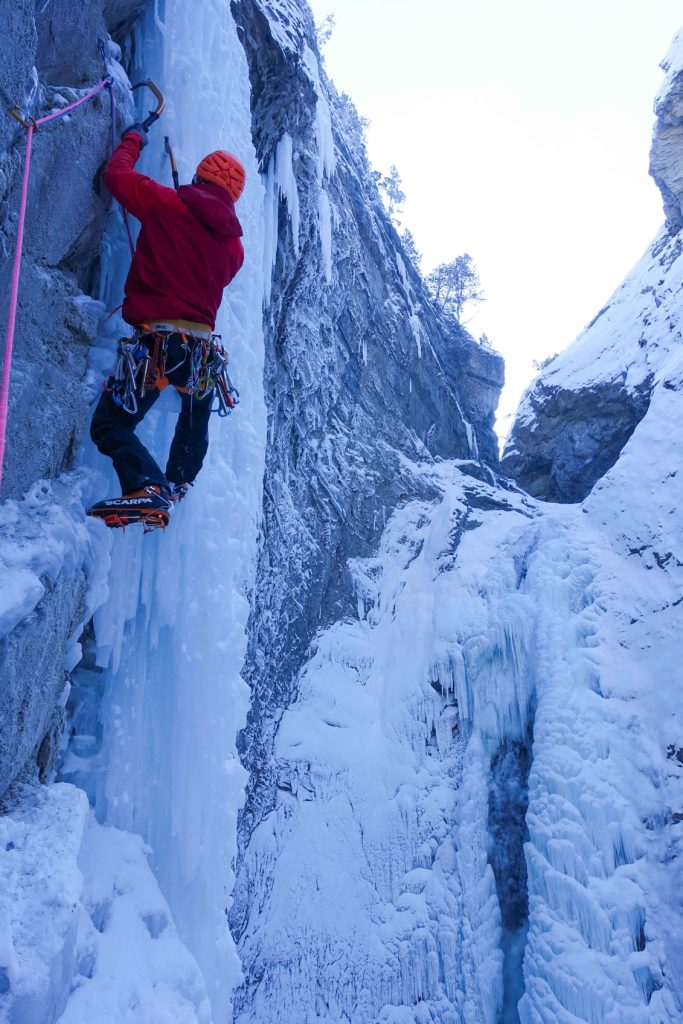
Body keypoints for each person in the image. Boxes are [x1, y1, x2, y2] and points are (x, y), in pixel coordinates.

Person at [87, 122, 245, 529]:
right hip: (201, 357)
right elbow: (203, 258)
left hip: (156, 345)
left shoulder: (166, 205)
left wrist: (134, 139)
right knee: (194, 419)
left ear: (197, 179)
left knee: (111, 424)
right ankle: (174, 486)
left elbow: (116, 176)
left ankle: (146, 484)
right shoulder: (234, 250)